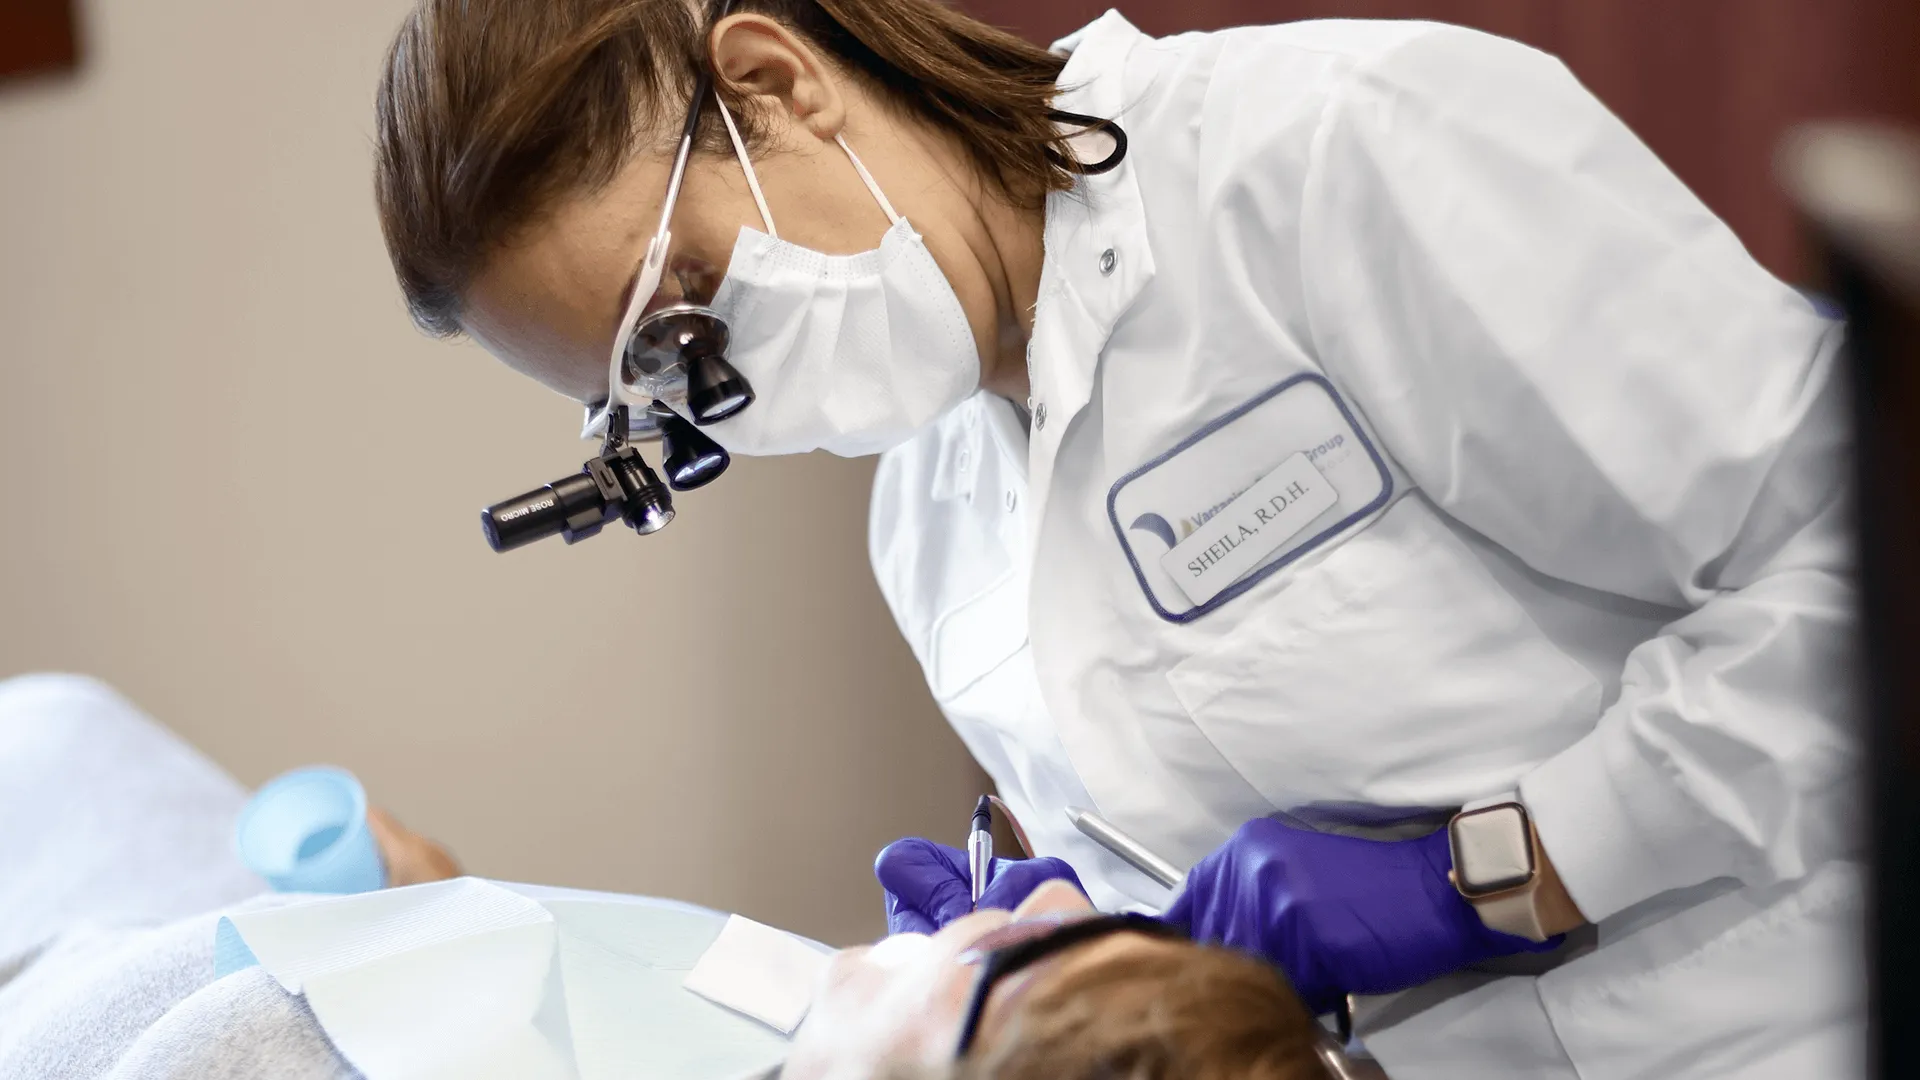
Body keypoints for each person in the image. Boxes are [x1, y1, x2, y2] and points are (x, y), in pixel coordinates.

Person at [370, 0, 1860, 1076]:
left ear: (772, 86)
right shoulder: (930, 527)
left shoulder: (1337, 157)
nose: (732, 407)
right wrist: (1081, 954)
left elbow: (1864, 588)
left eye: (688, 326)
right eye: (663, 402)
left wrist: (1499, 870)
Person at [0, 673, 1353, 1079]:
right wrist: (427, 912)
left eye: (1034, 953)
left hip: (108, 994)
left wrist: (375, 946)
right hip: (176, 933)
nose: (1042, 899)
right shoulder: (799, 1027)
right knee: (55, 722)